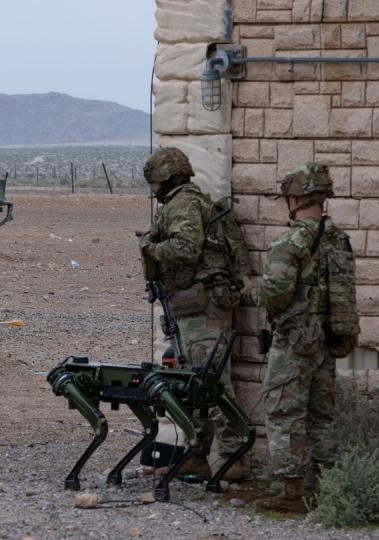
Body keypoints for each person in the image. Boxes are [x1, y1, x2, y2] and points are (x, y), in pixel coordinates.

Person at [138, 147, 250, 480]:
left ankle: (235, 458)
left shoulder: (183, 204)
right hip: (193, 304)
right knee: (196, 384)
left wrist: (151, 249)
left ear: (163, 179)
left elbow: (185, 249)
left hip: (203, 307)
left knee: (213, 384)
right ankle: (197, 455)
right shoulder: (188, 202)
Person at [256, 162, 357, 513]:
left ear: (296, 198)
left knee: (284, 413)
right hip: (326, 341)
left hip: (295, 341)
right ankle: (326, 490)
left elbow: (278, 291)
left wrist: (251, 290)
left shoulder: (291, 240)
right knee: (321, 417)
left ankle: (290, 492)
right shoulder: (338, 238)